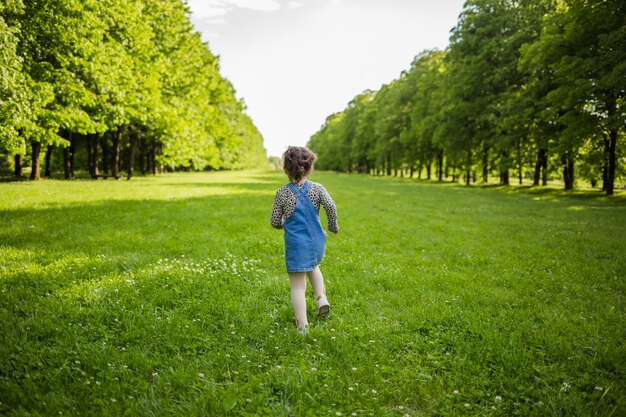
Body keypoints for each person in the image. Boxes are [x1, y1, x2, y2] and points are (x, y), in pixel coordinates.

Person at [270, 146, 339, 334]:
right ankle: (320, 298)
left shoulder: (282, 193)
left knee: (297, 286)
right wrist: (332, 226)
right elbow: (331, 207)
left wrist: (284, 222)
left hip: (296, 244)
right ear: (309, 168)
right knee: (314, 266)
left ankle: (302, 326)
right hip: (317, 240)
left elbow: (275, 221)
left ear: (285, 170)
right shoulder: (318, 189)